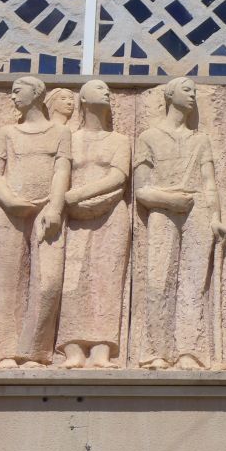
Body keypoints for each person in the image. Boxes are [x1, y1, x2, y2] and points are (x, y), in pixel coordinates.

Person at [135, 77, 226, 370]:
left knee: (193, 281)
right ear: (169, 95)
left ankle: (189, 350)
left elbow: (209, 183)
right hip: (163, 209)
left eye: (195, 92)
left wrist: (215, 217)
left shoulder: (200, 140)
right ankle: (156, 351)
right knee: (158, 279)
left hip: (197, 209)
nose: (192, 96)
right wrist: (169, 200)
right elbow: (141, 190)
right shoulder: (149, 137)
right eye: (187, 90)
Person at [0, 76, 70, 368]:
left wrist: (55, 207)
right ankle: (6, 351)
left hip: (47, 210)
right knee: (8, 281)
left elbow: (61, 171)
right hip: (11, 210)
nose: (12, 97)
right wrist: (8, 199)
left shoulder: (60, 132)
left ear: (36, 93)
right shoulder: (7, 133)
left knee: (48, 281)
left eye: (17, 91)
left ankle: (35, 351)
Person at [56, 80, 132, 369]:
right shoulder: (69, 138)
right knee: (71, 278)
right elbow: (59, 173)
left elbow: (118, 177)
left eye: (108, 89)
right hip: (74, 217)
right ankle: (72, 347)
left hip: (110, 214)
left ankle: (102, 349)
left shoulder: (119, 140)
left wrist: (78, 194)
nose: (106, 91)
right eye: (98, 88)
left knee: (106, 279)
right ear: (83, 98)